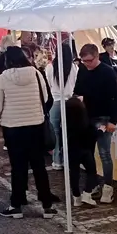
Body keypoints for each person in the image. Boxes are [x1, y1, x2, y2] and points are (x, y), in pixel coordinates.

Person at [0, 46, 57, 219]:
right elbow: (46, 98)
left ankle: (16, 205)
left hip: (13, 128)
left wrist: (5, 114)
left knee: (18, 167)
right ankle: (47, 206)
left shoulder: (4, 77)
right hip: (35, 125)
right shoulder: (36, 74)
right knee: (39, 166)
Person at [74, 43, 117, 204]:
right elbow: (78, 90)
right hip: (87, 118)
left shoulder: (108, 72)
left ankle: (108, 187)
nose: (86, 64)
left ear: (97, 57)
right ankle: (92, 184)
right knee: (88, 154)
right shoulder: (82, 71)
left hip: (104, 118)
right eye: (83, 61)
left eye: (89, 60)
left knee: (104, 154)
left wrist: (113, 121)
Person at [47, 40, 77, 171]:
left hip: (55, 102)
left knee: (55, 132)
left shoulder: (50, 67)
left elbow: (48, 85)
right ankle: (67, 159)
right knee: (68, 132)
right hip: (70, 102)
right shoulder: (74, 68)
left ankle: (57, 160)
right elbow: (75, 84)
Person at [65, 97, 101, 207]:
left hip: (71, 150)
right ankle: (87, 193)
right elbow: (93, 134)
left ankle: (76, 197)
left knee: (74, 173)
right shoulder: (85, 120)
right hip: (85, 150)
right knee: (91, 171)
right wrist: (100, 130)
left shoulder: (66, 122)